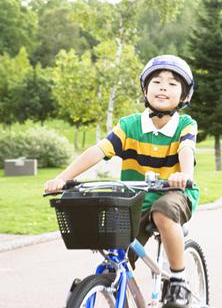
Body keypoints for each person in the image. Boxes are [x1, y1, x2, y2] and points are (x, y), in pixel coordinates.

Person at [45, 54, 199, 308]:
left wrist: (184, 175)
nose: (163, 87)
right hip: (134, 199)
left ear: (184, 96)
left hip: (175, 193)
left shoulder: (185, 123)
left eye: (172, 84)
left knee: (163, 211)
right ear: (145, 89)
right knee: (116, 254)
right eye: (156, 81)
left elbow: (187, 149)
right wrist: (63, 178)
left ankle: (179, 279)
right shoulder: (129, 125)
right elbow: (98, 150)